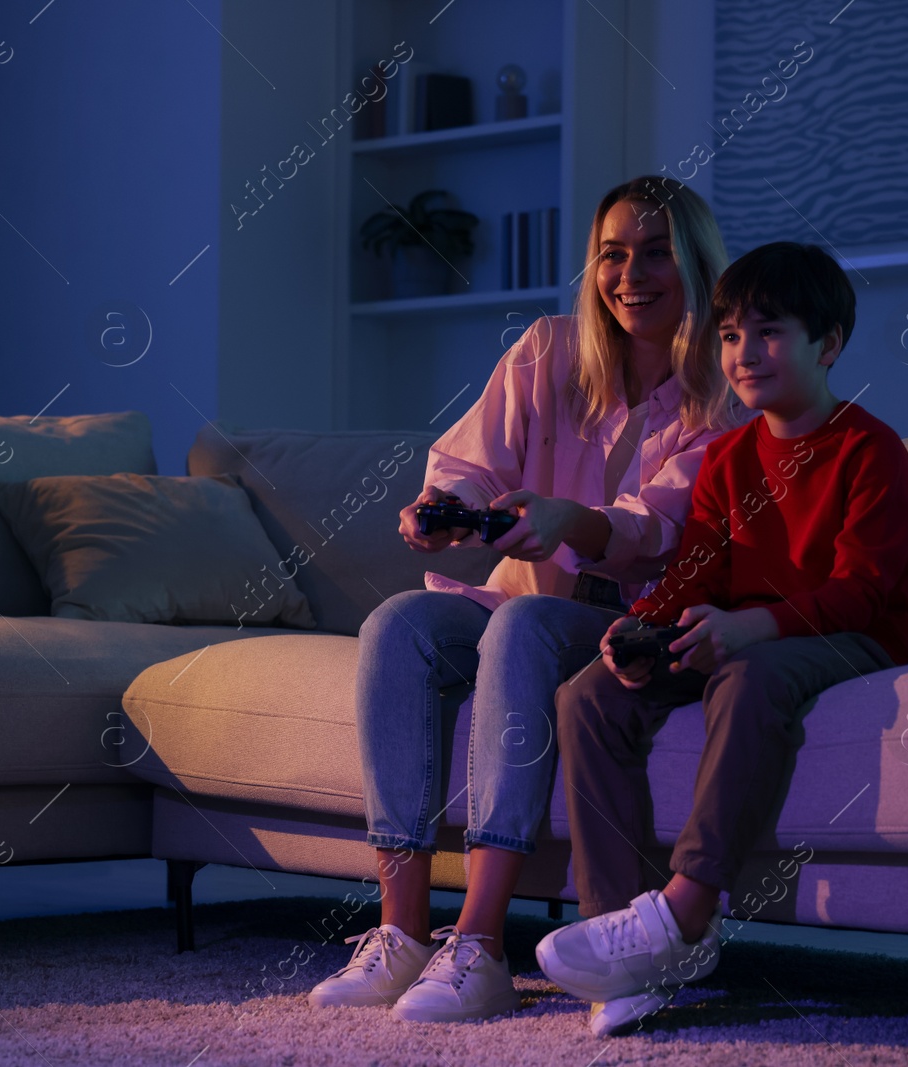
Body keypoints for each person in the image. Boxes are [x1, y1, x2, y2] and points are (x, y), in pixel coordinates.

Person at [307, 176, 738, 1023]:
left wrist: (570, 520)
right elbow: (467, 460)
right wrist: (440, 511)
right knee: (397, 624)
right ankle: (402, 932)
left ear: (694, 266)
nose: (630, 274)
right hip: (517, 596)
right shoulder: (546, 349)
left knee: (526, 625)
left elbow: (657, 527)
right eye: (612, 254)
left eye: (656, 253)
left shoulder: (719, 391)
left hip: (625, 618)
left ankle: (482, 943)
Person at [536, 242, 908, 1036]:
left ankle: (687, 910)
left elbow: (863, 591)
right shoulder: (727, 457)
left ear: (830, 343)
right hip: (745, 632)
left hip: (854, 639)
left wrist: (755, 624)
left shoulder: (871, 450)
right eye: (729, 336)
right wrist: (643, 625)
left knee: (746, 679)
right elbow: (697, 572)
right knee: (589, 694)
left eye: (769, 332)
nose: (744, 354)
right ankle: (624, 938)